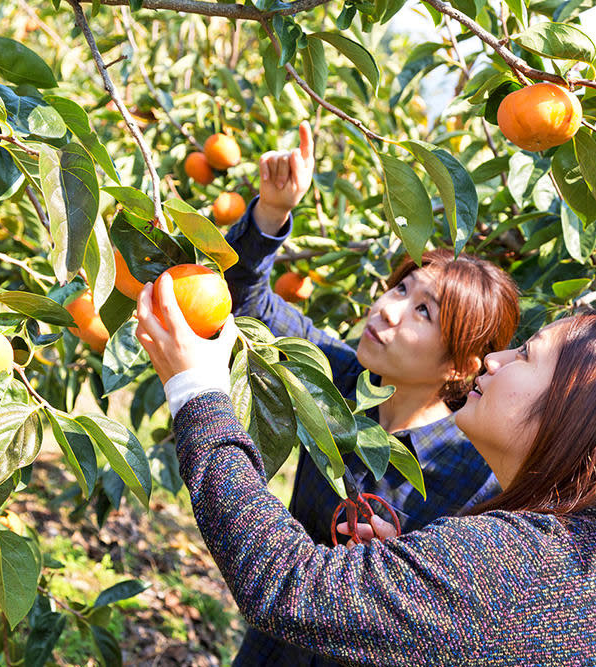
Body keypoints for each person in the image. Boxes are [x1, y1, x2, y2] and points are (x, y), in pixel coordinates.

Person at [134, 288, 596, 666]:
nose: (497, 360)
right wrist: (418, 586)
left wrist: (197, 393)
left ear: (576, 413)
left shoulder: (524, 557)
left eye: (527, 356)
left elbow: (289, 585)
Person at [221, 122, 520, 664]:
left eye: (423, 311)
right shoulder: (336, 379)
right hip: (273, 647)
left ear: (460, 365)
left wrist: (398, 574)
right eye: (401, 288)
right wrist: (271, 214)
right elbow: (244, 305)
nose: (387, 308)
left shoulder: (474, 477)